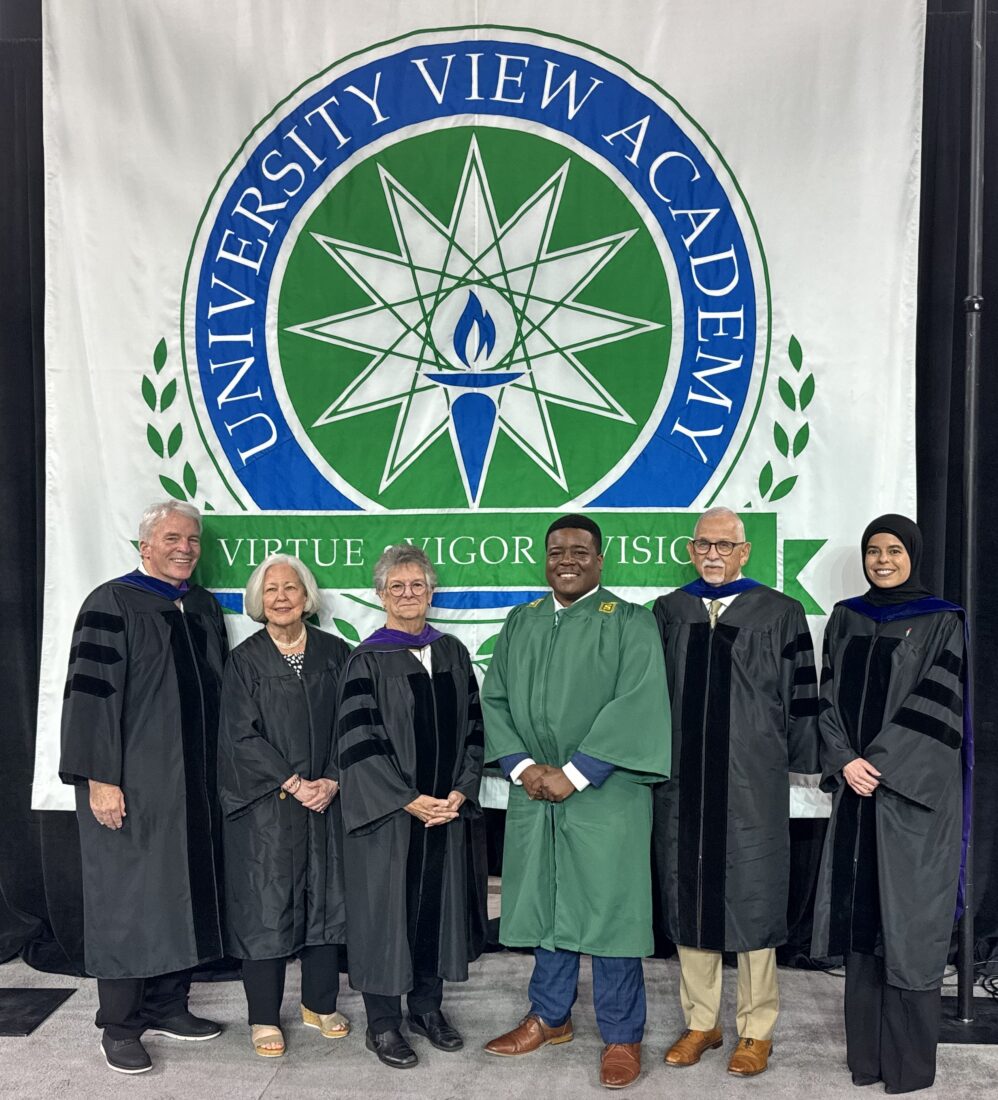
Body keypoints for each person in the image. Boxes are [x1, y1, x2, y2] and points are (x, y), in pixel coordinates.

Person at [482, 514, 671, 1091]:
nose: (567, 559)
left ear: (600, 558)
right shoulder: (523, 620)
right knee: (546, 901)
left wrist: (576, 772)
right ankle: (550, 1016)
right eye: (557, 551)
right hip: (534, 788)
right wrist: (520, 765)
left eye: (580, 551)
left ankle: (621, 1034)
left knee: (610, 911)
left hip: (604, 792)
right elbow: (496, 697)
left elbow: (636, 704)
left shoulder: (630, 623)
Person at [59, 501, 228, 1074]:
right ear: (145, 547)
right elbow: (90, 697)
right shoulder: (112, 603)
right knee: (126, 900)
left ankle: (168, 1006)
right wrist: (100, 779)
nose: (185, 548)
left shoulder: (201, 606)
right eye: (173, 538)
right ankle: (121, 1025)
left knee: (179, 892)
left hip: (193, 786)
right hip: (131, 782)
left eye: (194, 540)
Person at [651, 506, 819, 1077]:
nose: (714, 555)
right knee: (690, 892)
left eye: (726, 545)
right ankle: (702, 1022)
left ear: (744, 552)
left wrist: (801, 763)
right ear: (691, 550)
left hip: (752, 780)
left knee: (753, 897)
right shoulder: (669, 611)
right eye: (704, 545)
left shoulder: (780, 612)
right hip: (683, 780)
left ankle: (756, 1029)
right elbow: (651, 697)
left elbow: (802, 699)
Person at [811, 515, 969, 1094]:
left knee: (906, 926)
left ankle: (905, 1069)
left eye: (894, 550)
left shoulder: (941, 620)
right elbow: (826, 695)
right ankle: (867, 1061)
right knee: (863, 923)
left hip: (909, 800)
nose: (882, 560)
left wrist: (876, 763)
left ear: (913, 556)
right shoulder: (848, 617)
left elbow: (939, 704)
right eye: (873, 550)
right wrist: (843, 759)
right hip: (856, 792)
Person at [336, 545, 487, 1070]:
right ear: (380, 595)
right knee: (385, 915)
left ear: (430, 591)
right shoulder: (366, 659)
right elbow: (359, 743)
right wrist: (407, 800)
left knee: (433, 912)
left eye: (417, 585)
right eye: (396, 587)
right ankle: (383, 1023)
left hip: (444, 814)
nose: (407, 594)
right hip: (391, 822)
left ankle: (427, 1009)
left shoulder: (451, 653)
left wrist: (461, 791)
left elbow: (474, 729)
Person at [217, 554, 351, 1057]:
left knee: (325, 900)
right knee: (266, 904)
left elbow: (354, 723)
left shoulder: (336, 654)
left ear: (306, 597)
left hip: (326, 800)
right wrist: (295, 783)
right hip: (269, 806)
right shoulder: (245, 661)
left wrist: (333, 779)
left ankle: (319, 1003)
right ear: (258, 600)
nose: (280, 597)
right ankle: (263, 1016)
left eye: (290, 588)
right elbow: (238, 736)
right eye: (270, 589)